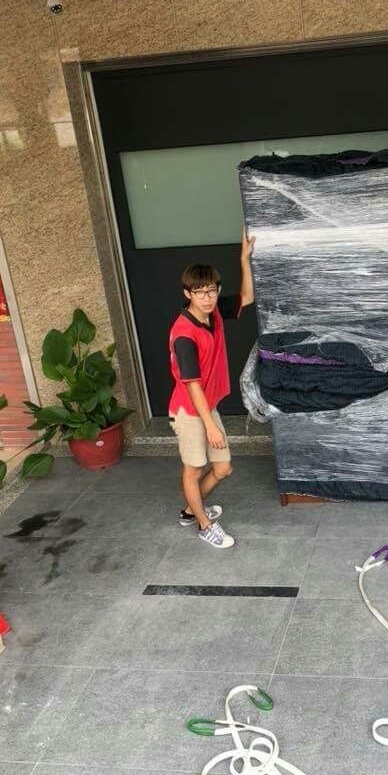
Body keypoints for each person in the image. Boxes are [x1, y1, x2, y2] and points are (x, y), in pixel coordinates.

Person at [168, 228, 255, 548]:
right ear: (187, 293)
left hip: (207, 404)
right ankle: (205, 525)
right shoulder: (184, 334)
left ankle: (192, 510)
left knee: (223, 468)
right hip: (189, 410)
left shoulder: (213, 312)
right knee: (194, 469)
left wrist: (243, 259)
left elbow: (247, 298)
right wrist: (210, 426)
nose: (207, 297)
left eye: (211, 291)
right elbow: (192, 386)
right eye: (200, 292)